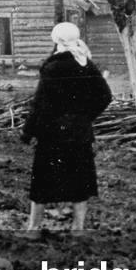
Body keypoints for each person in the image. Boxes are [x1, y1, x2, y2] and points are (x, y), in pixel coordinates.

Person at [20, 22, 112, 231]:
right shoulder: (87, 64)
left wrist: (27, 131)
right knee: (80, 180)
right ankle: (78, 229)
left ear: (58, 42)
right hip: (80, 134)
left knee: (42, 182)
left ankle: (33, 230)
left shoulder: (52, 67)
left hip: (53, 134)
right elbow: (105, 96)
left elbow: (40, 103)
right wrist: (85, 117)